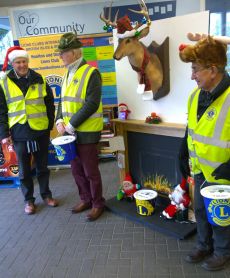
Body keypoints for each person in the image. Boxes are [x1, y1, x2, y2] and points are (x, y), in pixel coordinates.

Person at [178, 35, 230, 271]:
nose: (192, 76)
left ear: (212, 69)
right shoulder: (194, 96)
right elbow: (192, 130)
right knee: (200, 210)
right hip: (199, 170)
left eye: (195, 69)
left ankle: (222, 251)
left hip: (224, 175)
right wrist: (182, 152)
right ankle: (204, 244)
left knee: (220, 217)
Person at [0, 46, 58, 215]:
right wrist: (4, 134)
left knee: (42, 167)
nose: (22, 65)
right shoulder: (4, 82)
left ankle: (46, 196)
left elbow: (49, 103)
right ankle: (29, 201)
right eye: (18, 62)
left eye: (24, 61)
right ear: (12, 63)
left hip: (40, 130)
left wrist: (49, 125)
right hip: (19, 132)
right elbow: (1, 110)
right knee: (24, 170)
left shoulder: (39, 78)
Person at [56, 32, 105, 221]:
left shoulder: (91, 73)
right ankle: (85, 199)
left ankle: (97, 203)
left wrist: (71, 124)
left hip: (87, 132)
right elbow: (62, 101)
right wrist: (59, 120)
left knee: (90, 171)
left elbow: (91, 103)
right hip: (69, 133)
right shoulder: (66, 73)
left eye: (63, 52)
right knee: (76, 169)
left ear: (75, 53)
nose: (60, 56)